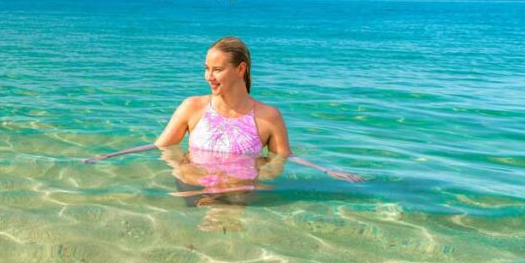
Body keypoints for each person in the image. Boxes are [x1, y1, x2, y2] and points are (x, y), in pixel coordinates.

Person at [84, 37, 362, 193]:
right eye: (206, 69)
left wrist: (325, 170)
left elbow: (282, 158)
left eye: (217, 70)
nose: (209, 77)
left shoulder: (268, 116)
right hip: (193, 188)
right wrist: (109, 156)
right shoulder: (192, 107)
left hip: (238, 193)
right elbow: (161, 146)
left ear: (240, 70)